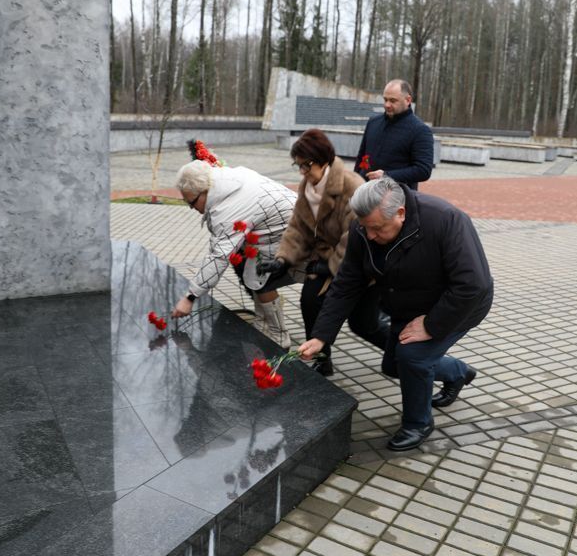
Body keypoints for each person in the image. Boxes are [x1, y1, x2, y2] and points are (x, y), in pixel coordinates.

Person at [298, 176, 493, 452]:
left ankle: (418, 423)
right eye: (365, 228)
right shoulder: (364, 227)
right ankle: (458, 372)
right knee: (393, 366)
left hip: (458, 304)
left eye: (377, 228)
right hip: (409, 303)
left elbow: (473, 284)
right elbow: (347, 283)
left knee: (413, 357)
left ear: (400, 213)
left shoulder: (445, 220)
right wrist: (321, 336)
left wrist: (431, 324)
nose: (370, 236)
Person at [256, 129, 390, 377]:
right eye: (298, 165)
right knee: (310, 301)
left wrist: (330, 266)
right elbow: (298, 226)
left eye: (306, 165)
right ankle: (321, 358)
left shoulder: (352, 186)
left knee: (364, 324)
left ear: (323, 160)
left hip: (359, 264)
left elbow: (355, 236)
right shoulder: (307, 186)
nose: (302, 172)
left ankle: (403, 354)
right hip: (325, 259)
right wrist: (283, 259)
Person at [171, 159, 297, 346]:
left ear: (203, 191)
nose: (193, 209)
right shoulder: (223, 179)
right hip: (282, 225)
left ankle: (279, 337)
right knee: (253, 272)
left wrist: (190, 297)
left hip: (295, 231)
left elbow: (219, 257)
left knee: (260, 275)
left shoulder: (228, 208)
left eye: (192, 203)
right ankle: (263, 326)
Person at [354, 79, 435, 190]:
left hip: (398, 196)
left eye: (393, 101)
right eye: (385, 99)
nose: (387, 105)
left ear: (408, 100)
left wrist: (386, 175)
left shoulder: (420, 130)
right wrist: (355, 181)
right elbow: (362, 157)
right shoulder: (373, 123)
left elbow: (423, 170)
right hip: (366, 192)